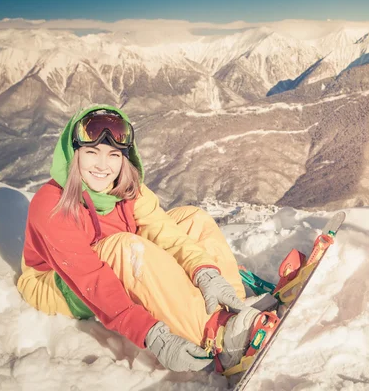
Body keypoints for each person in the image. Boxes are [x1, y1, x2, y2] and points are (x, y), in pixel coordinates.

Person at [17, 105, 276, 373]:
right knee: (126, 247)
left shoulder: (128, 190)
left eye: (113, 155)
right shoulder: (52, 204)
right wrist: (151, 333)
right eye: (92, 153)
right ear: (75, 154)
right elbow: (90, 278)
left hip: (110, 257)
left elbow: (167, 234)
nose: (103, 166)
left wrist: (206, 272)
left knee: (192, 219)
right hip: (58, 284)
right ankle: (217, 335)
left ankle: (232, 307)